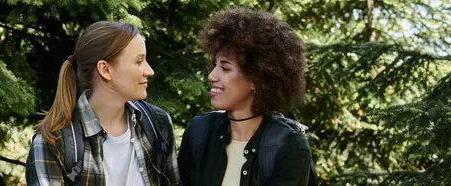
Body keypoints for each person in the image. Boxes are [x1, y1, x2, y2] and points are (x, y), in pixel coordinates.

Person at [25, 21, 181, 186]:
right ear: (105, 70)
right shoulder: (53, 141)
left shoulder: (158, 123)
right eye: (139, 61)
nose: (150, 71)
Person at [178, 8, 315, 186]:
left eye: (225, 68)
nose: (212, 75)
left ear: (256, 79)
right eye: (214, 65)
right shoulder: (200, 132)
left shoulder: (289, 147)